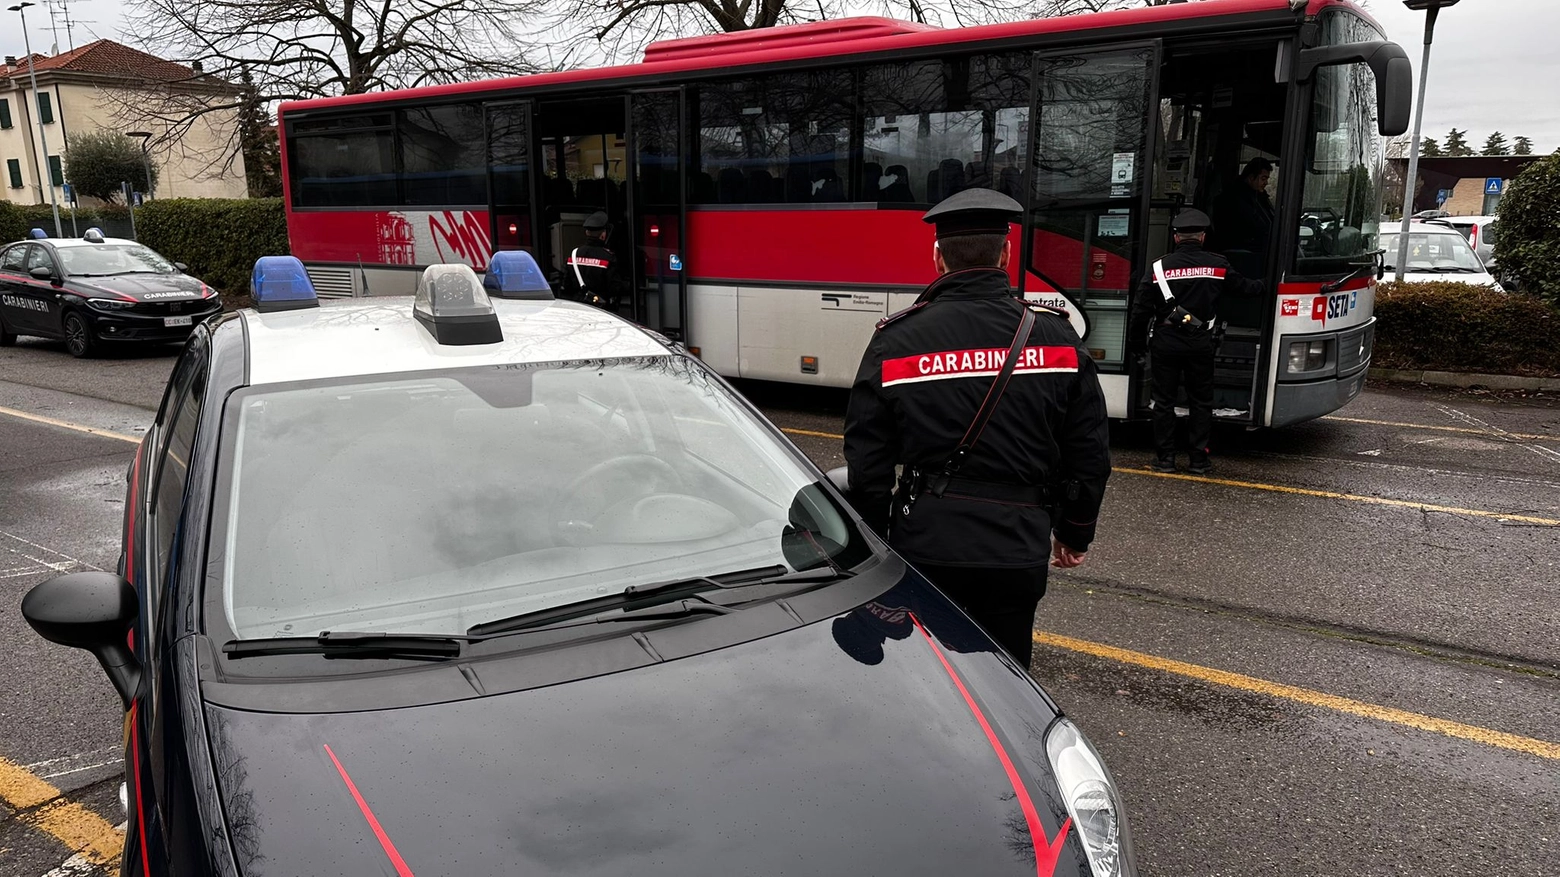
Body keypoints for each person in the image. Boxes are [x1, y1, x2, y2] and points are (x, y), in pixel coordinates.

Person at [842, 188, 1112, 666]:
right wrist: (1075, 531)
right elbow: (1088, 450)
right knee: (1006, 675)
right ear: (1006, 254)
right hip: (1017, 547)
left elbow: (868, 461)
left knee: (929, 677)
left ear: (937, 257)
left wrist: (876, 543)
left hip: (926, 543)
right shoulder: (1054, 335)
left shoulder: (897, 340)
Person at [1131, 208, 1264, 474]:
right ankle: (1198, 460)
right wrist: (1268, 283)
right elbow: (1247, 289)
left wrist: (1137, 346)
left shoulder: (1158, 267)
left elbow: (1140, 310)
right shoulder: (1218, 265)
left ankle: (1165, 459)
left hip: (1165, 342)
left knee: (1164, 402)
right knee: (1201, 402)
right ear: (1202, 237)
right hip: (1200, 342)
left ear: (1176, 237)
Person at [1212, 157, 1275, 263]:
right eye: (1263, 179)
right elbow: (1257, 226)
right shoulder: (1235, 198)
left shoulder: (1258, 197)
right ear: (1251, 177)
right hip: (1243, 253)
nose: (1266, 183)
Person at [562, 212, 626, 309]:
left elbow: (565, 285)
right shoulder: (608, 258)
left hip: (578, 307)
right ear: (603, 235)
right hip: (601, 308)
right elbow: (615, 288)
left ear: (587, 233)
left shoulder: (573, 255)